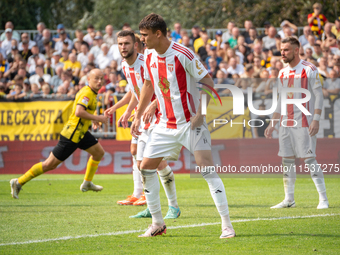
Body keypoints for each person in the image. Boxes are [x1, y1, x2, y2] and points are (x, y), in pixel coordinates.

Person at [129, 13, 234, 238]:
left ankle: (226, 224)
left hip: (190, 123)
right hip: (164, 125)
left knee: (206, 168)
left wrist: (201, 113)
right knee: (145, 167)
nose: (142, 40)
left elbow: (207, 81)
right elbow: (148, 85)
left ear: (158, 34)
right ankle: (157, 223)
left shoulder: (182, 53)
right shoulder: (147, 55)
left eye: (145, 36)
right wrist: (138, 114)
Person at [10, 69, 109, 199]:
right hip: (72, 134)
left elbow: (82, 112)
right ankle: (18, 182)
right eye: (96, 78)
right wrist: (100, 118)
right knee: (49, 164)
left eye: (101, 78)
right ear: (88, 79)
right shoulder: (87, 93)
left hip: (81, 133)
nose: (99, 81)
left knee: (99, 153)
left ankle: (87, 183)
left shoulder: (91, 92)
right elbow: (79, 112)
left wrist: (94, 118)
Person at [264, 36, 328, 210]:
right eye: (281, 49)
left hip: (305, 121)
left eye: (285, 50)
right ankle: (289, 199)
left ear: (296, 50)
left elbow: (319, 96)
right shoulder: (282, 72)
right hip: (286, 122)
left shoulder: (309, 69)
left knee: (309, 158)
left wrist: (316, 119)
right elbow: (280, 99)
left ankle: (323, 199)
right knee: (287, 160)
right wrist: (273, 123)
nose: (282, 53)